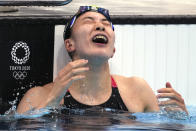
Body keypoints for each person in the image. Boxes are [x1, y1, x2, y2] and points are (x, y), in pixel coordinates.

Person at [17, 6, 188, 115]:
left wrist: (178, 119)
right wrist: (51, 102)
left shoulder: (138, 91)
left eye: (106, 23)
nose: (100, 26)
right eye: (88, 21)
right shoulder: (38, 96)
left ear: (113, 50)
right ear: (70, 44)